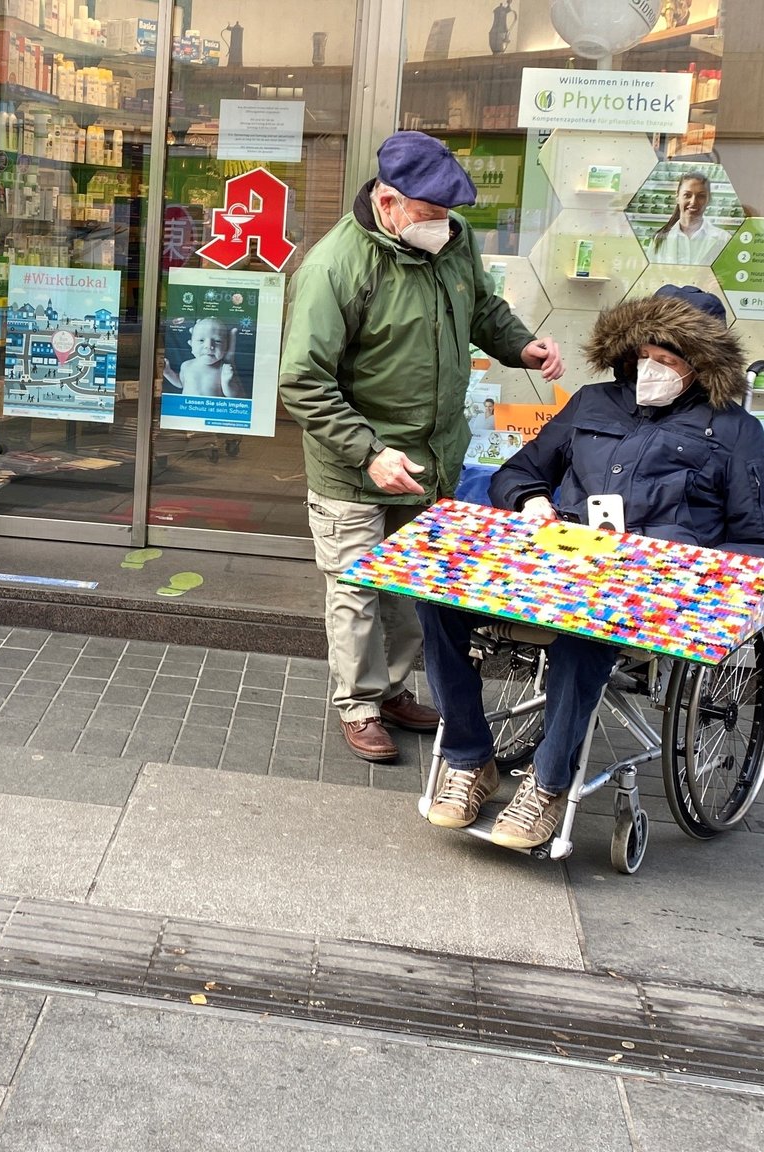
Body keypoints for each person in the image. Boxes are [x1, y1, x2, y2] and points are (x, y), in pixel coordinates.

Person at [419, 286, 764, 848]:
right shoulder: (593, 403)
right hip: (562, 558)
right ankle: (470, 758)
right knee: (436, 599)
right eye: (645, 355)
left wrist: (697, 578)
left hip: (647, 587)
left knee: (586, 631)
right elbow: (517, 471)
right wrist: (531, 501)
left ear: (700, 367)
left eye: (667, 361)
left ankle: (547, 784)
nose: (651, 369)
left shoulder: (735, 432)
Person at [279, 131, 565, 764]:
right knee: (356, 588)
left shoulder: (451, 244)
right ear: (388, 203)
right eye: (430, 213)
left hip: (428, 457)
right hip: (353, 464)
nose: (443, 224)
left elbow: (483, 310)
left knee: (412, 583)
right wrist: (368, 451)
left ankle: (392, 692)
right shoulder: (335, 267)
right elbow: (302, 382)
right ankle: (358, 705)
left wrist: (521, 345)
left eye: (447, 212)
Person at [645, 171, 730, 265]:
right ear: (677, 197)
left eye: (701, 196)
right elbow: (650, 276)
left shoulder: (724, 239)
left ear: (708, 199)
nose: (693, 201)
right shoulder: (659, 239)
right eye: (687, 195)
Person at [174, 317, 240, 398]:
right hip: (187, 408)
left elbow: (232, 395)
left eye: (217, 341)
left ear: (226, 347)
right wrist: (167, 373)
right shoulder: (186, 365)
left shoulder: (223, 369)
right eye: (201, 340)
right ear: (191, 344)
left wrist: (227, 382)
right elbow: (181, 384)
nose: (209, 346)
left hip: (211, 408)